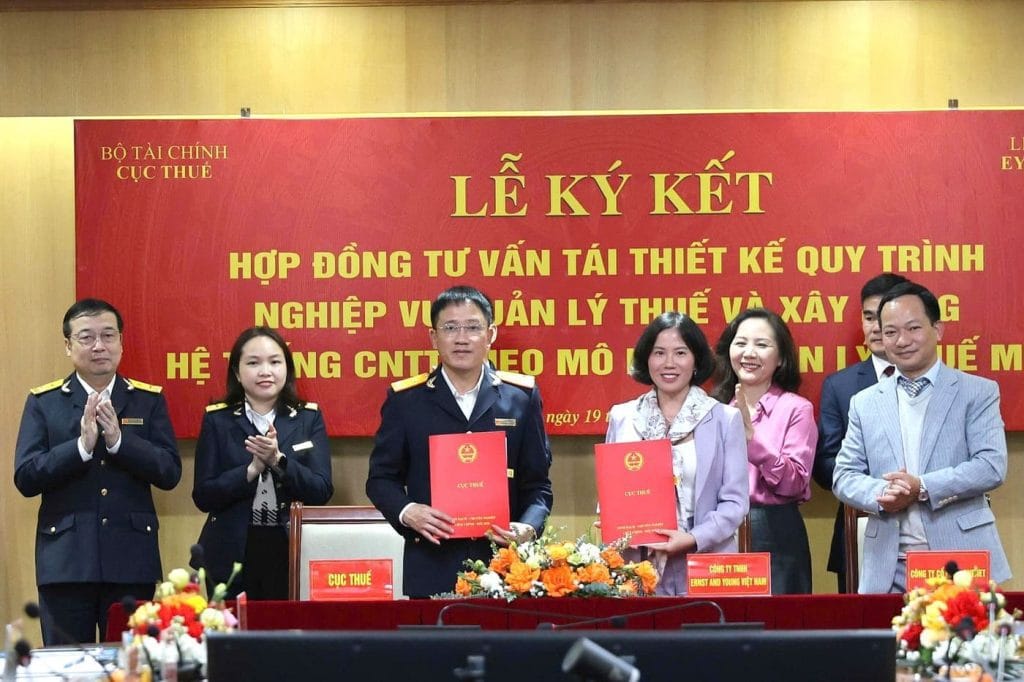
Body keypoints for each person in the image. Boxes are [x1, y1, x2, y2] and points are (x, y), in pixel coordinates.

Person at [365, 285, 553, 598]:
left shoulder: (520, 398)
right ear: (433, 337)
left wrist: (528, 527)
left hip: (507, 568)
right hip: (431, 564)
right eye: (450, 328)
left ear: (490, 334)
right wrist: (408, 511)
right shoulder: (406, 401)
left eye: (473, 327)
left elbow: (538, 486)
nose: (462, 338)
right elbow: (380, 480)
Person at [13, 298, 181, 644]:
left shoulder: (148, 400)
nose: (99, 346)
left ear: (121, 342)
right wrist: (80, 448)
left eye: (108, 335)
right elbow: (26, 477)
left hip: (131, 561)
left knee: (132, 661)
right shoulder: (45, 402)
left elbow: (169, 472)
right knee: (66, 663)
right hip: (66, 562)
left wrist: (120, 442)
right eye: (86, 337)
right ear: (68, 345)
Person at [833, 282, 1010, 593]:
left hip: (961, 559)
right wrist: (885, 493)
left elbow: (991, 466)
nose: (902, 341)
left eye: (913, 328)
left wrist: (922, 487)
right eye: (890, 332)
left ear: (937, 330)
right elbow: (844, 476)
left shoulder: (977, 392)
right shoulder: (864, 402)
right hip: (888, 567)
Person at [605, 312, 749, 595]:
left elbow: (735, 503)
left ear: (696, 360)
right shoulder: (623, 417)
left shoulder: (724, 419)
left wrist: (693, 538)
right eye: (659, 353)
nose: (669, 363)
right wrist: (613, 519)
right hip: (638, 564)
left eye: (680, 353)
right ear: (647, 359)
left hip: (706, 563)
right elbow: (612, 491)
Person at [192, 327, 333, 600]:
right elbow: (203, 496)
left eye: (275, 362)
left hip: (290, 548)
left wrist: (279, 461)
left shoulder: (308, 418)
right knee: (232, 627)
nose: (265, 371)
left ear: (287, 368)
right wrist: (251, 470)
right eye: (254, 363)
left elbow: (321, 490)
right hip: (231, 551)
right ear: (237, 372)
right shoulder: (217, 420)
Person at [814, 273, 908, 592]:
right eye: (869, 317)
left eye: (885, 317)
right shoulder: (840, 386)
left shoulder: (941, 384)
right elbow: (825, 466)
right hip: (860, 528)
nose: (877, 327)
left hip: (928, 526)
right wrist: (880, 488)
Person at [712, 308, 817, 594]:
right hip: (718, 531)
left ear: (780, 357)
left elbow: (795, 482)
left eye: (761, 344)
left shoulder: (797, 409)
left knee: (776, 619)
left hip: (775, 530)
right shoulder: (712, 410)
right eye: (741, 343)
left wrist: (752, 440)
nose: (749, 353)